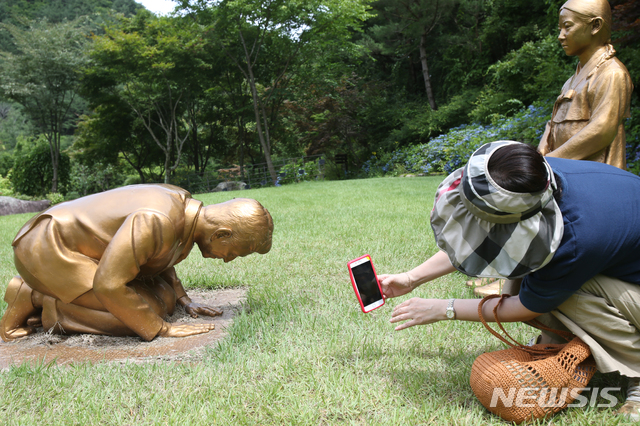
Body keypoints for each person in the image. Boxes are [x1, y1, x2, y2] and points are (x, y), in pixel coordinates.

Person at [378, 141, 640, 421]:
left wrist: (444, 308)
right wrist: (411, 278)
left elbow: (527, 306)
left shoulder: (575, 240)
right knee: (539, 277)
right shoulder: (536, 178)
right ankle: (567, 340)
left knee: (562, 292)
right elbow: (479, 235)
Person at [0, 184, 273, 342]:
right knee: (145, 313)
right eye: (235, 252)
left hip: (92, 256)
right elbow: (108, 285)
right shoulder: (157, 219)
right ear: (221, 234)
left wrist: (183, 300)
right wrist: (161, 328)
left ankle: (60, 301)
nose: (228, 260)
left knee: (164, 299)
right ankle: (37, 298)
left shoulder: (185, 212)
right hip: (48, 249)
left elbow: (158, 257)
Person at [537, 0, 633, 169]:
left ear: (595, 26)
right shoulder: (570, 81)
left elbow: (602, 129)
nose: (561, 35)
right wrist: (542, 150)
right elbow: (553, 124)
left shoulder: (611, 73)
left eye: (568, 27)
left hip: (594, 178)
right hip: (566, 175)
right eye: (560, 29)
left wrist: (551, 161)